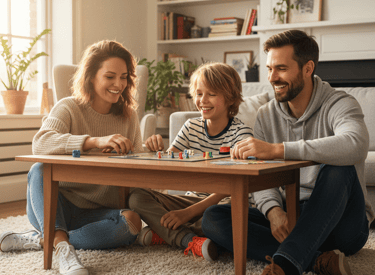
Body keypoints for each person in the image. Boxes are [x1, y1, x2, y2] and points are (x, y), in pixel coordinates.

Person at [201, 29, 375, 275]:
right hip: (293, 213)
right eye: (270, 68)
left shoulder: (340, 103)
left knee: (339, 168)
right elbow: (258, 174)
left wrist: (278, 150)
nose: (272, 77)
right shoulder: (266, 114)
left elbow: (355, 143)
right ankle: (317, 260)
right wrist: (273, 212)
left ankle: (286, 264)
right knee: (213, 217)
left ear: (307, 68)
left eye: (281, 68)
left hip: (343, 226)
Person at [0, 40, 144, 275]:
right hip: (55, 205)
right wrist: (94, 141)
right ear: (91, 77)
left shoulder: (129, 117)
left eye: (124, 77)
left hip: (99, 210)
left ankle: (47, 240)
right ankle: (63, 248)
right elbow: (40, 143)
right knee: (39, 169)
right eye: (110, 76)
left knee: (132, 223)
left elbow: (138, 163)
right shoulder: (68, 107)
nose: (118, 84)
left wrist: (146, 149)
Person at [128, 62, 253, 261]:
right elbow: (168, 166)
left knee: (219, 218)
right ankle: (188, 239)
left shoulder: (242, 134)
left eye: (211, 94)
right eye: (199, 93)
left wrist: (187, 213)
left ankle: (166, 234)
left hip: (222, 203)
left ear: (230, 98)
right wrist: (155, 150)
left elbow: (233, 186)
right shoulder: (190, 127)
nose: (202, 100)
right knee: (136, 196)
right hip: (191, 198)